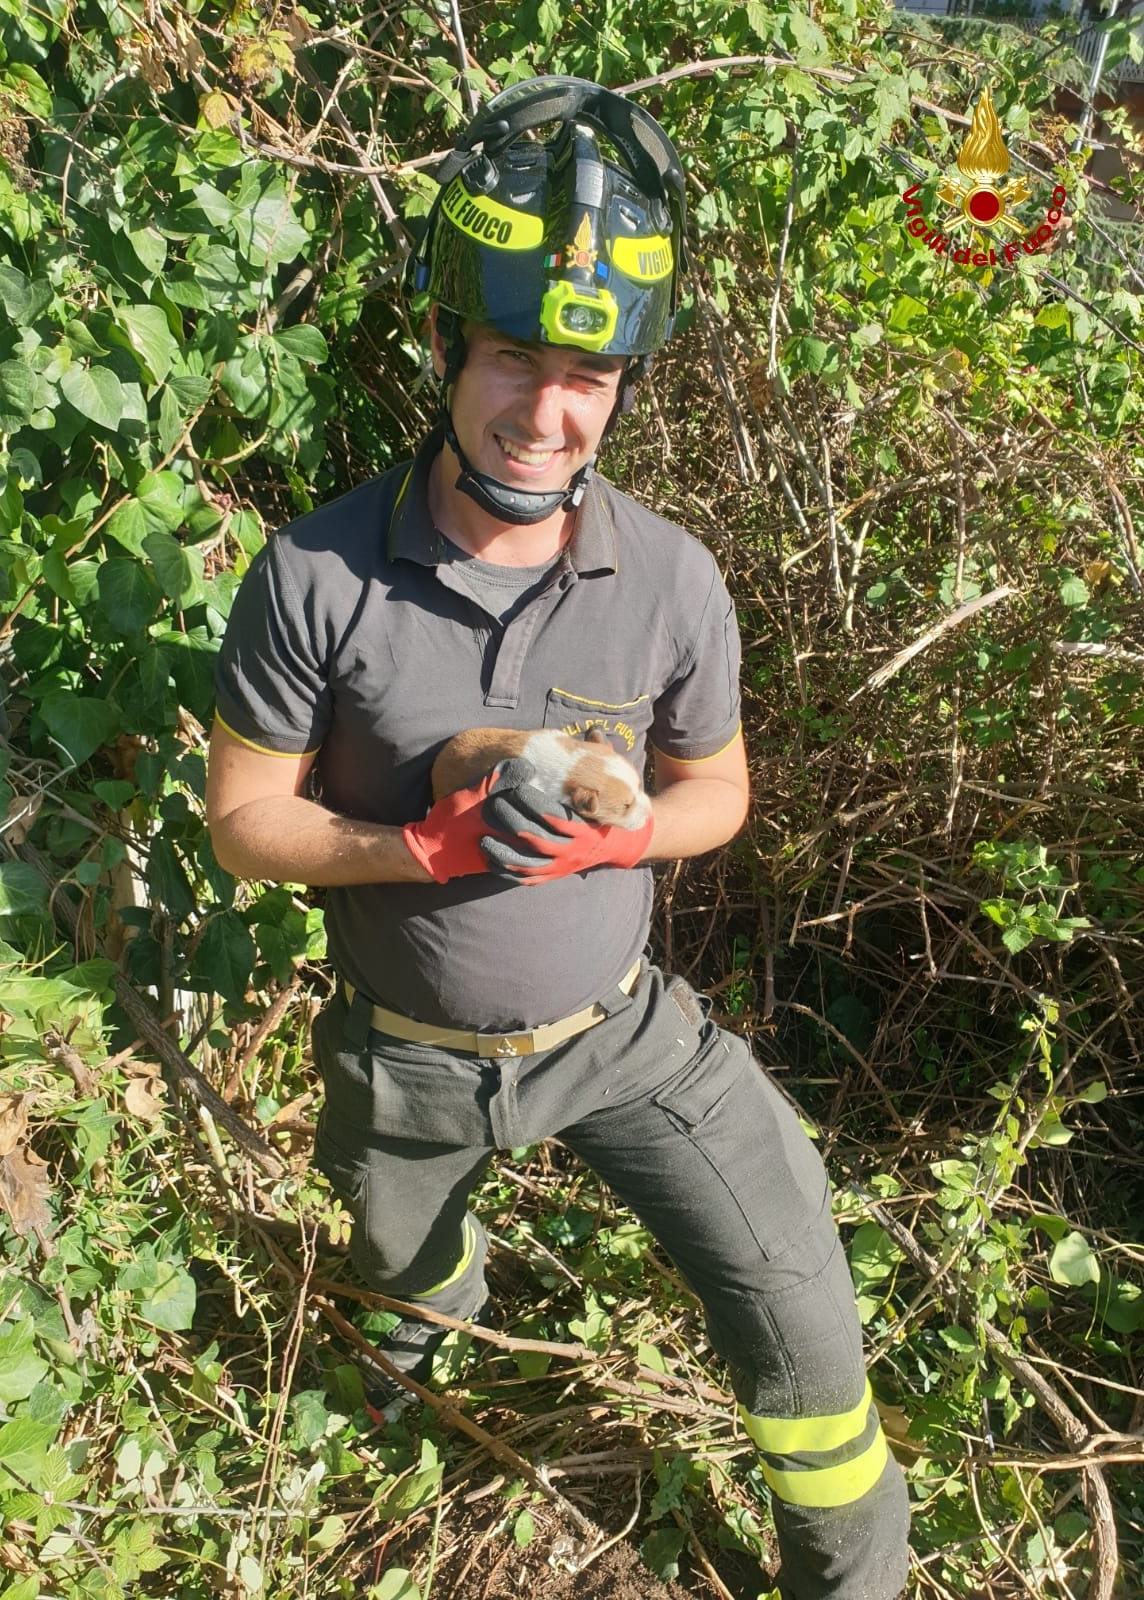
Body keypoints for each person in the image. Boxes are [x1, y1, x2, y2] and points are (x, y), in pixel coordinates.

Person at [206, 75, 910, 1600]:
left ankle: (853, 1577)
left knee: (795, 1296)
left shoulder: (671, 577)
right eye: (516, 355)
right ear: (450, 349)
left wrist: (635, 835)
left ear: (624, 386)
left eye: (588, 370)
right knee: (409, 1277)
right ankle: (406, 1385)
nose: (548, 408)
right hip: (404, 1052)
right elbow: (248, 823)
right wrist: (426, 852)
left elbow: (719, 793)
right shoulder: (315, 575)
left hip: (626, 1037)